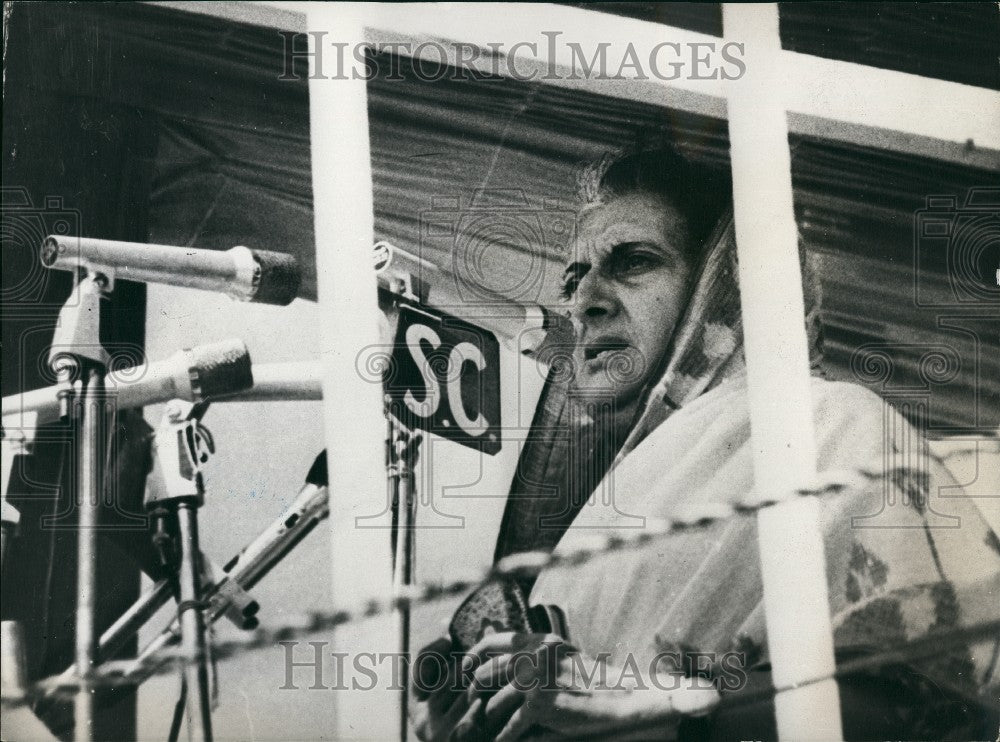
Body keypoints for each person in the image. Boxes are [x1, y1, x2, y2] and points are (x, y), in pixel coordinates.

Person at [411, 146, 1000, 740]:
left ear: (727, 286)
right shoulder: (616, 496)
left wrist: (661, 709)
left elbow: (929, 703)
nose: (584, 301)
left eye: (632, 261)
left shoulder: (828, 425)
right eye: (574, 276)